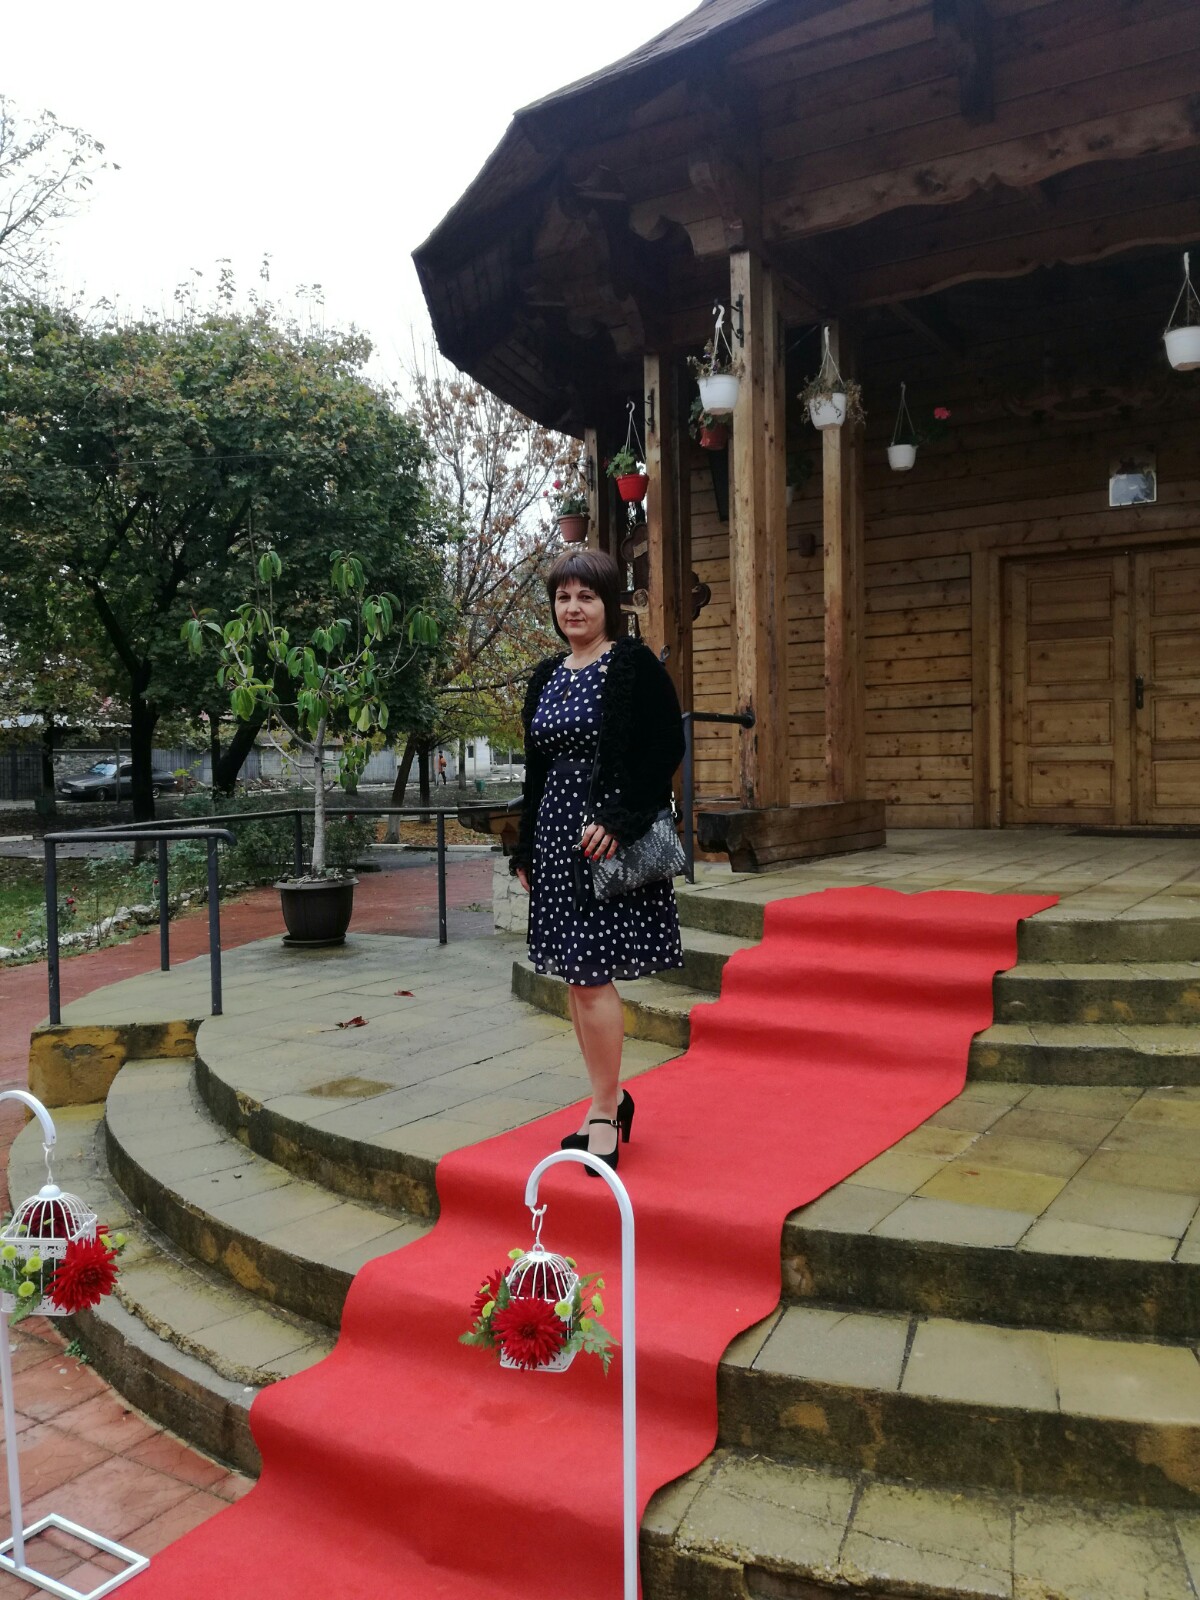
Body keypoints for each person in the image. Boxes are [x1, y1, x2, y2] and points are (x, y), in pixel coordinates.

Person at [512, 548, 685, 1172]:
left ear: (609, 604)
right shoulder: (547, 675)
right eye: (563, 597)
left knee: (590, 977)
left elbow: (666, 745)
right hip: (556, 840)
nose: (573, 608)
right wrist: (525, 845)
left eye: (586, 597)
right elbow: (537, 772)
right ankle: (604, 1100)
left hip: (601, 837)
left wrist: (619, 818)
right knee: (576, 980)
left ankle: (607, 1112)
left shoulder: (633, 665)